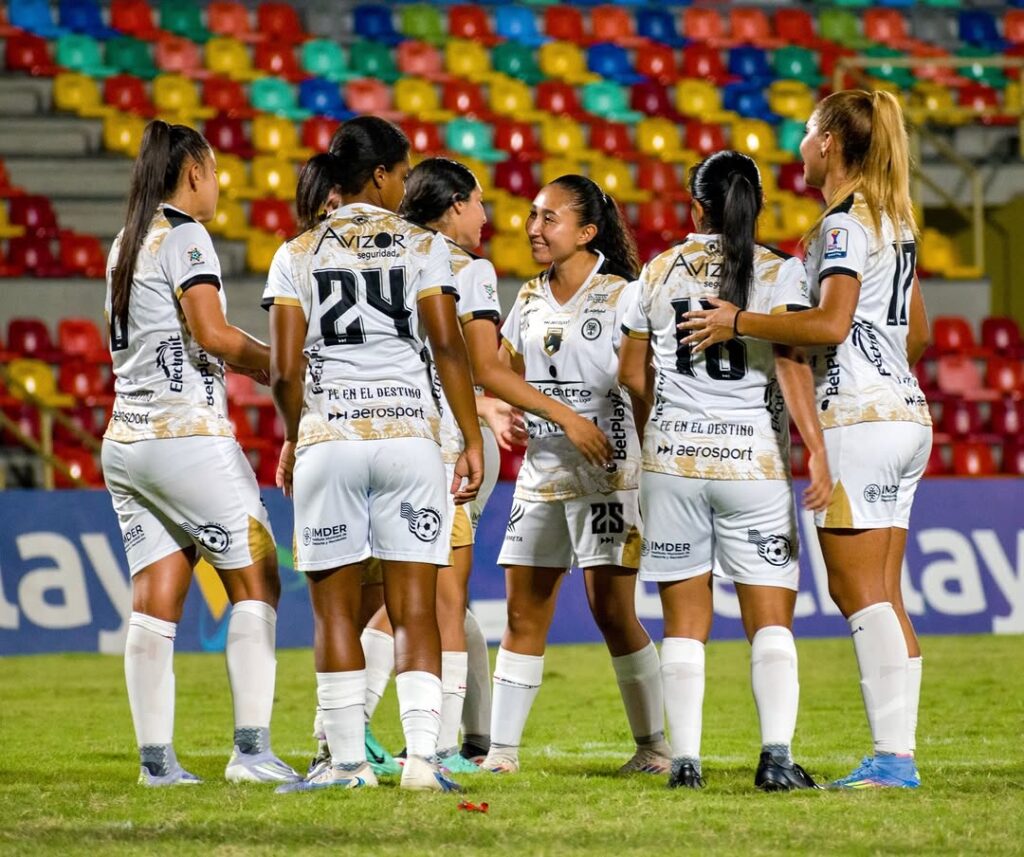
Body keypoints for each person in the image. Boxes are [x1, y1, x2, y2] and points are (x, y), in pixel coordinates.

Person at [681, 91, 932, 789]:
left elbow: (826, 325)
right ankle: (897, 751)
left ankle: (891, 759)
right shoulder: (895, 218)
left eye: (806, 130)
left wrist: (742, 322)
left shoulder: (844, 225)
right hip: (906, 410)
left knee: (861, 595)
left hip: (857, 418)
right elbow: (920, 332)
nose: (799, 142)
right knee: (886, 591)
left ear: (827, 142)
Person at [264, 116, 484, 793]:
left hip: (331, 438)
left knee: (333, 612)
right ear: (384, 174)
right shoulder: (424, 246)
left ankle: (348, 766)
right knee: (415, 605)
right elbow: (449, 347)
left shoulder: (296, 252)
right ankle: (422, 761)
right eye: (403, 168)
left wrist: (297, 432)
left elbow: (280, 368)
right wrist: (471, 437)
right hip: (409, 440)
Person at [619, 151, 831, 791]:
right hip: (753, 464)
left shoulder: (655, 272)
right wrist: (815, 448)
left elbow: (632, 373)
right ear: (757, 206)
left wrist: (665, 423)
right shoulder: (780, 273)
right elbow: (793, 364)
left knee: (685, 622)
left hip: (673, 463)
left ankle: (685, 763)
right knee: (770, 620)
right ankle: (776, 760)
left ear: (695, 207)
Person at [101, 120, 298, 786]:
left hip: (126, 440)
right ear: (193, 172)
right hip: (184, 436)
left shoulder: (127, 240)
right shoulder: (186, 233)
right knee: (260, 578)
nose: (218, 183)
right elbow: (211, 332)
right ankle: (251, 751)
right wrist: (280, 365)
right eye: (214, 169)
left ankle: (157, 764)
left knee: (157, 595)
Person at [482, 175, 670, 776]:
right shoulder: (530, 297)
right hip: (542, 471)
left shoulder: (623, 295)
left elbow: (647, 383)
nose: (534, 228)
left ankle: (654, 747)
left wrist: (646, 459)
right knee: (522, 611)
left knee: (612, 610)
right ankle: (502, 754)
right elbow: (500, 369)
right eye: (533, 216)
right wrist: (497, 407)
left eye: (549, 219)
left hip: (608, 474)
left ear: (587, 232)